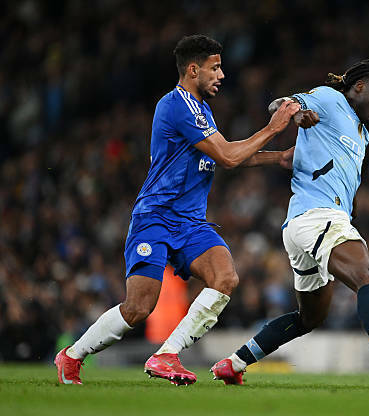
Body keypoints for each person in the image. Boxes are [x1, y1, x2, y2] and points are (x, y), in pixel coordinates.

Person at [54, 34, 301, 385]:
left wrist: (278, 158)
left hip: (190, 223)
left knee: (225, 277)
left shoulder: (200, 109)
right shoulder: (177, 105)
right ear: (193, 69)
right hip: (155, 216)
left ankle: (166, 354)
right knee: (138, 308)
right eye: (215, 68)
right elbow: (228, 156)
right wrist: (274, 129)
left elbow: (223, 155)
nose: (222, 75)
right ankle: (72, 355)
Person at [211, 60, 369, 385]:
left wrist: (347, 200)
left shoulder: (362, 134)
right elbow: (280, 104)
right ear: (359, 87)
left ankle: (233, 364)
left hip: (303, 225)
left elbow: (316, 164)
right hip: (317, 215)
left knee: (309, 318)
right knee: (366, 275)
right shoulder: (331, 100)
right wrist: (296, 114)